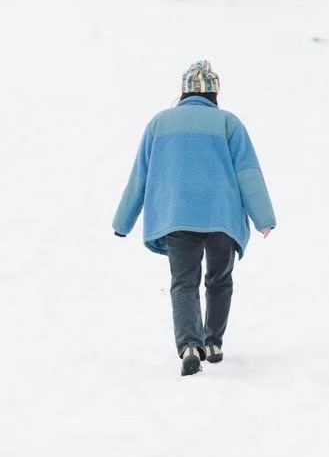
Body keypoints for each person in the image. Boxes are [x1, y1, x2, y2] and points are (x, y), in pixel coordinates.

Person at [111, 60, 278, 376]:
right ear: (215, 94)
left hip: (177, 216)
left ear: (183, 93)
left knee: (184, 283)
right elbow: (247, 173)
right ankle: (213, 342)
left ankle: (190, 345)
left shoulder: (159, 124)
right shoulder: (229, 124)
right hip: (221, 217)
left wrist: (123, 222)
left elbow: (140, 176)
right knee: (219, 280)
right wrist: (263, 218)